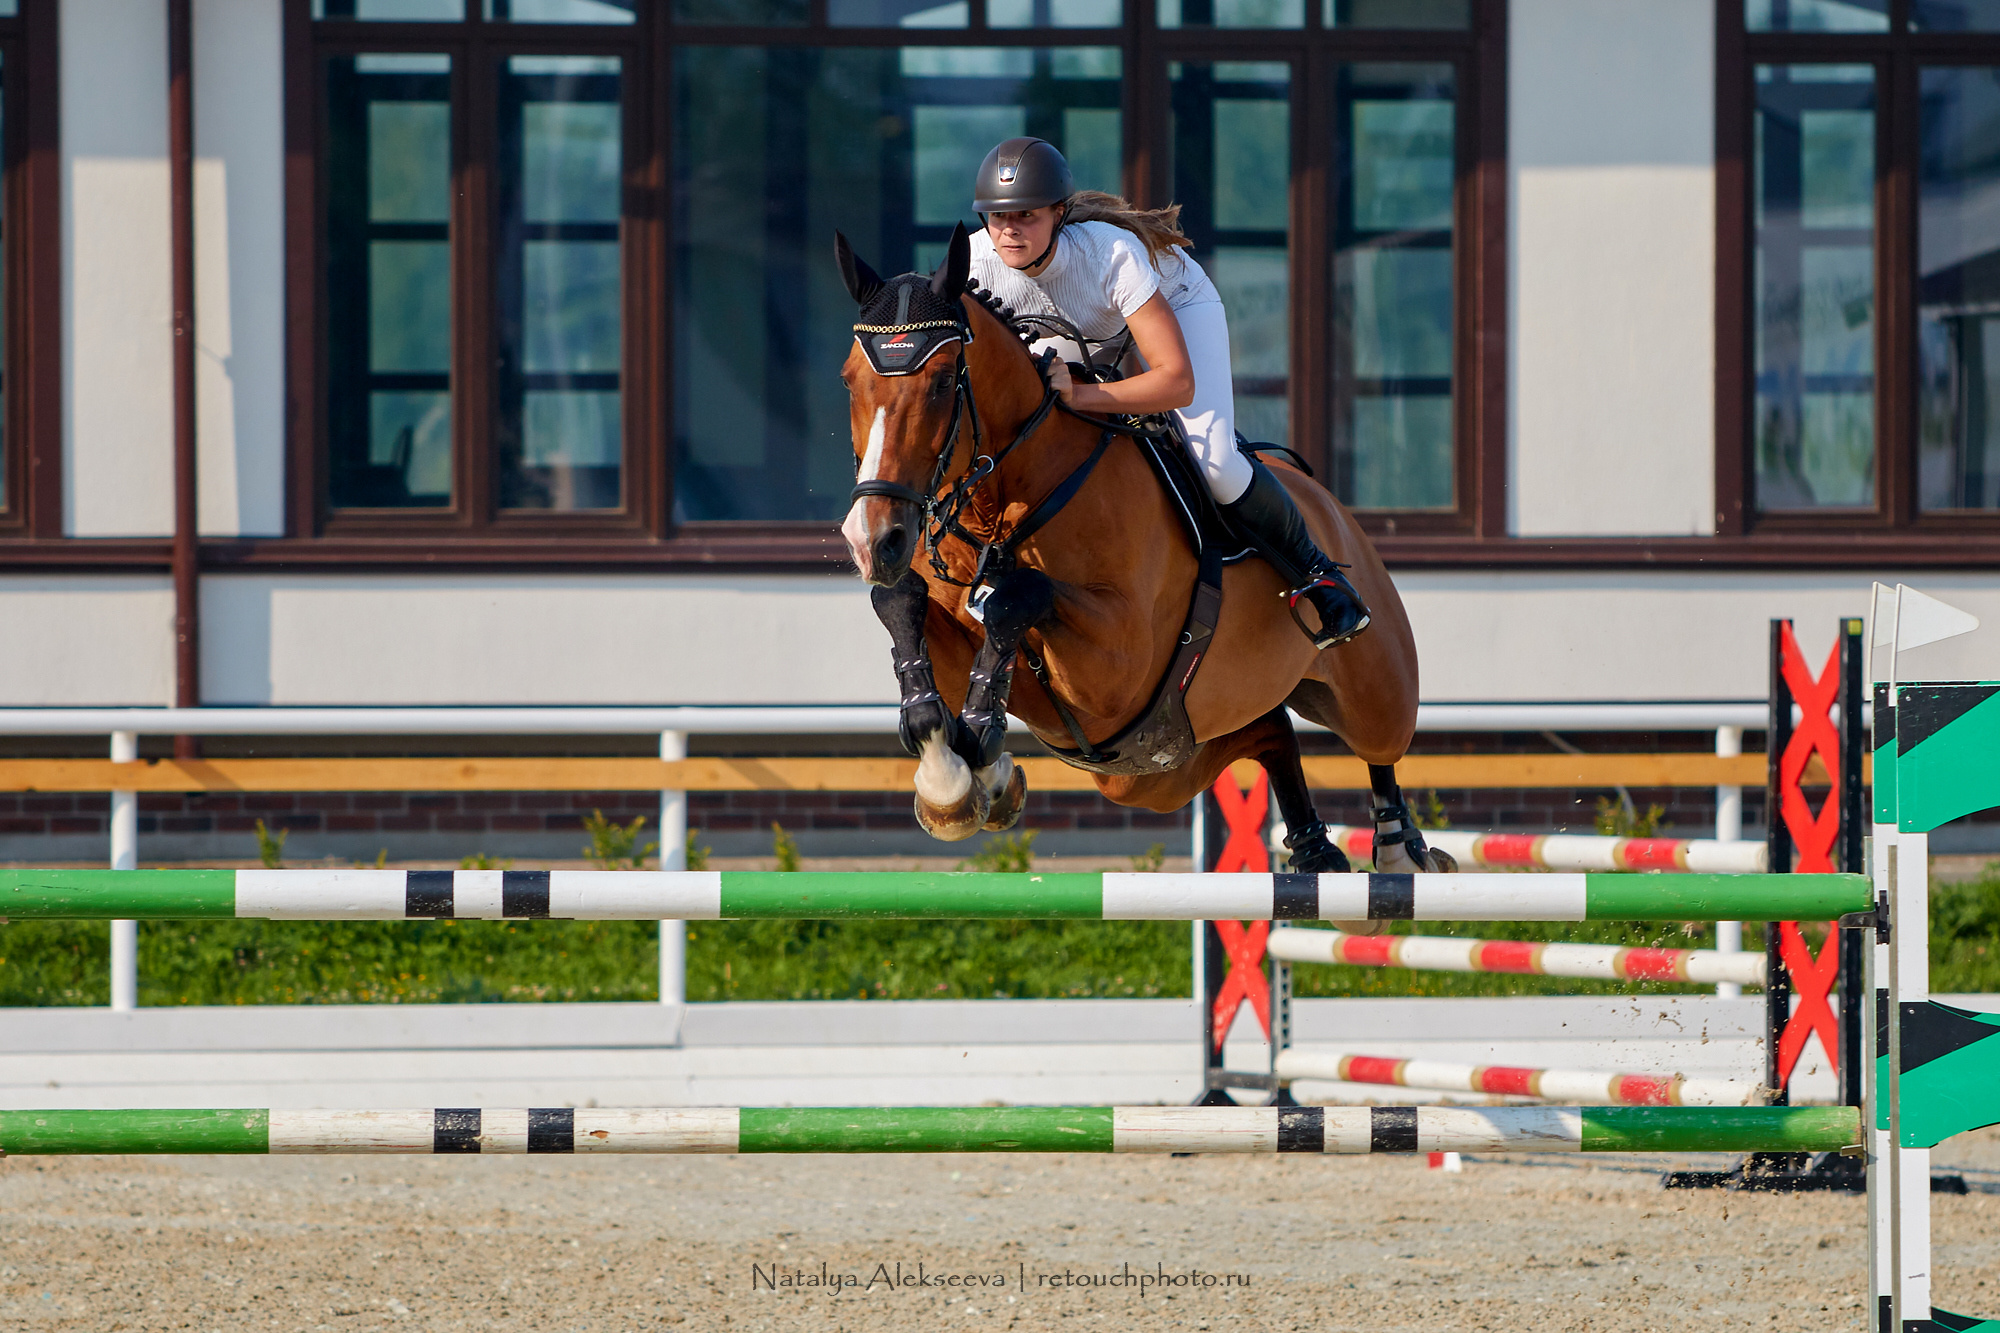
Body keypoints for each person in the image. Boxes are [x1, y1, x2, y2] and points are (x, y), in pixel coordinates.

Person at [966, 136, 1369, 650]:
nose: (1009, 230)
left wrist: (1080, 398)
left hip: (1176, 305)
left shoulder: (1110, 254)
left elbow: (1176, 382)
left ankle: (1318, 575)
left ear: (1059, 214)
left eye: (1026, 215)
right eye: (997, 216)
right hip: (1076, 323)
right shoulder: (975, 262)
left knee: (1215, 462)